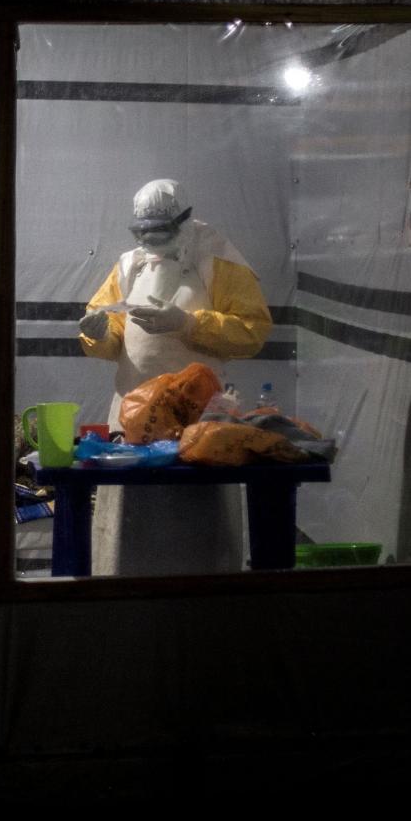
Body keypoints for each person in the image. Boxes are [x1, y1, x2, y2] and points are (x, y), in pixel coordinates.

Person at [77, 179, 272, 575]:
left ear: (184, 221)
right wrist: (98, 334)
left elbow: (252, 332)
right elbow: (108, 326)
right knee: (128, 538)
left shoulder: (219, 261)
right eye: (142, 232)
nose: (150, 240)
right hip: (132, 422)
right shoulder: (130, 265)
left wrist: (187, 323)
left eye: (160, 231)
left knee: (200, 536)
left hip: (197, 424)